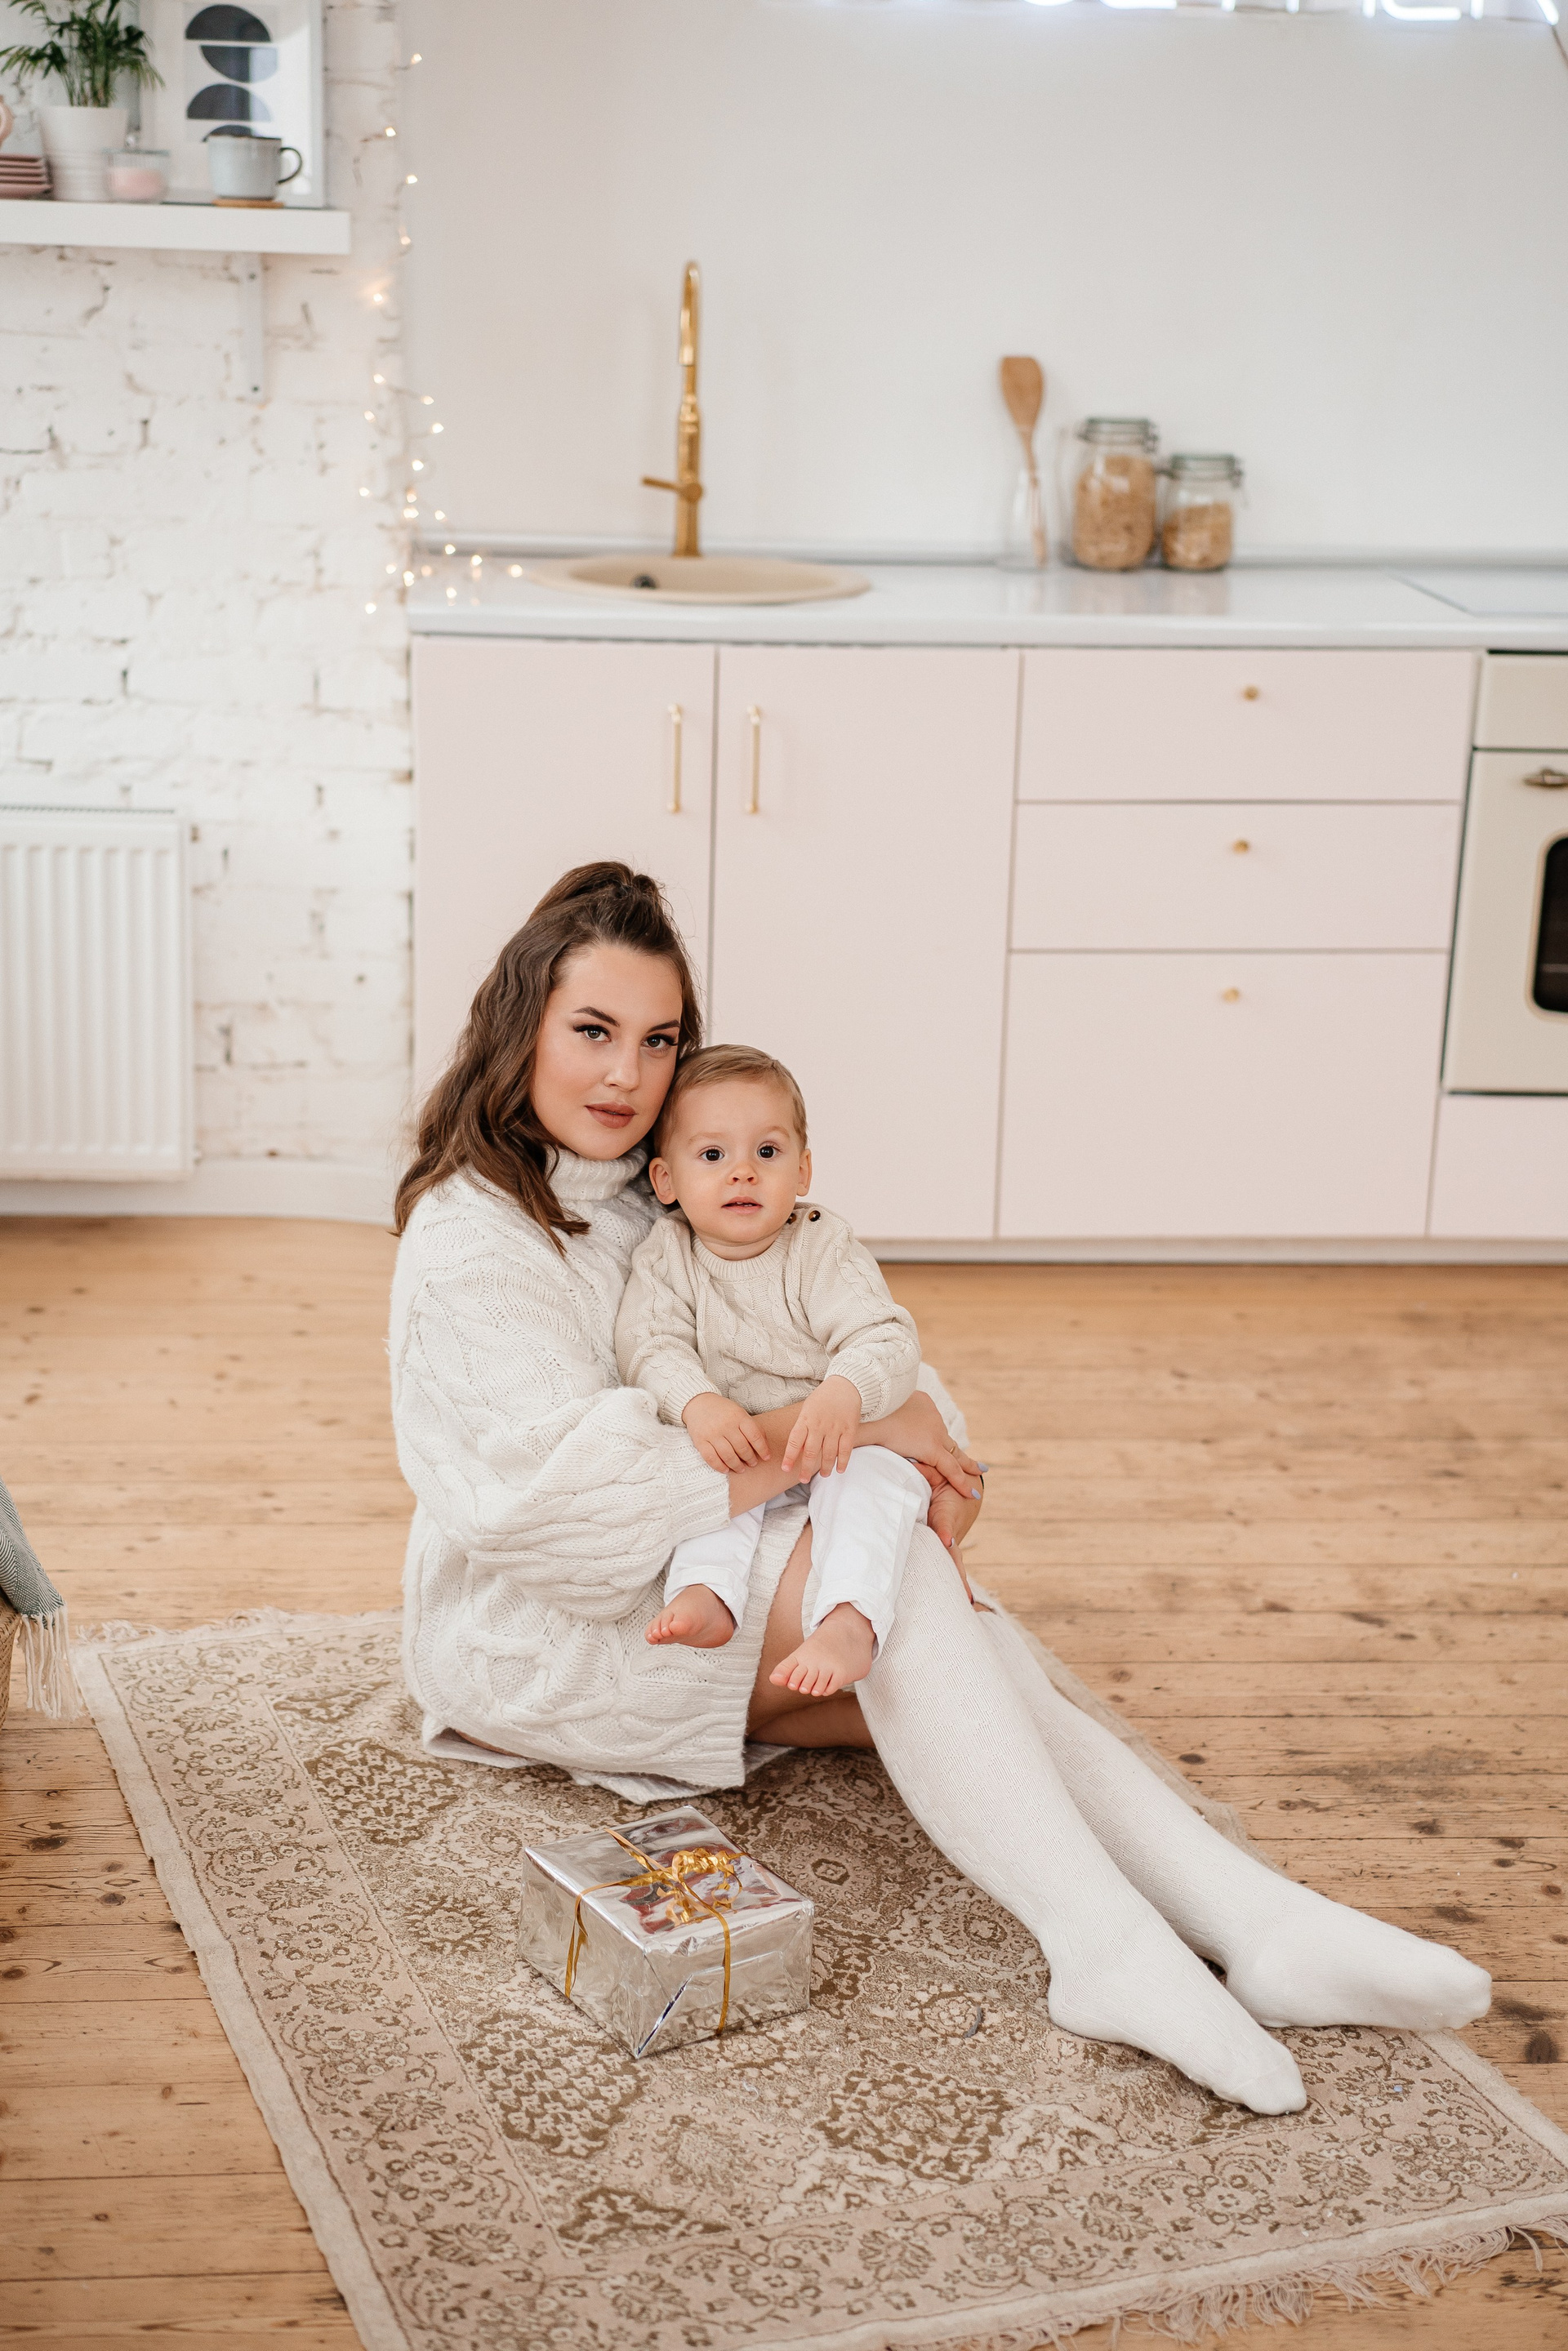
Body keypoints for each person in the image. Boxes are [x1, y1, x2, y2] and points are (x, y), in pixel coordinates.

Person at [390, 860, 1490, 2118]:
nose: (627, 1075)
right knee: (908, 1591)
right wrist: (873, 1437)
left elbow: (832, 1337)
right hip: (542, 1622)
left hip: (703, 1549)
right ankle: (1109, 1944)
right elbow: (568, 1512)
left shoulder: (679, 1177)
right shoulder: (470, 1241)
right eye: (592, 1030)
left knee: (962, 1651)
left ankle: (1262, 1924)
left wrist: (920, 1447)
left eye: (658, 1038)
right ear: (520, 1023)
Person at [617, 1041, 933, 1699]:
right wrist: (697, 1402)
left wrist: (845, 1390)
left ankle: (850, 1620)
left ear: (803, 1168)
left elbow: (885, 1334)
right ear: (666, 1181)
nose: (743, 1173)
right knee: (704, 1485)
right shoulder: (668, 1254)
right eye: (713, 1155)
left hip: (837, 1439)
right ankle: (707, 1593)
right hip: (747, 1444)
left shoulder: (819, 1244)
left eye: (767, 1151)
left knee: (875, 1490)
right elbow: (649, 1344)